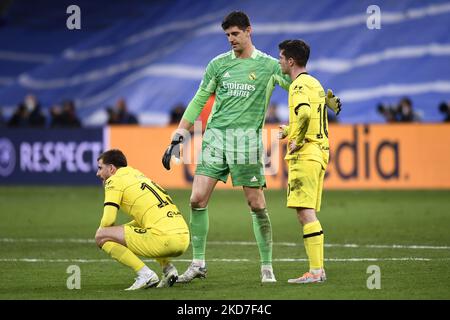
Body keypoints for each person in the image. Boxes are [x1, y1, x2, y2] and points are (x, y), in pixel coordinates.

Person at [162, 11, 293, 284]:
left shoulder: (269, 66)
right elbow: (199, 100)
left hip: (246, 142)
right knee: (197, 199)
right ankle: (198, 263)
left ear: (248, 31)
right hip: (215, 139)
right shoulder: (218, 64)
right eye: (227, 35)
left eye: (235, 34)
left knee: (256, 204)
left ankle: (266, 266)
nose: (231, 39)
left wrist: (316, 101)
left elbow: (297, 86)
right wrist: (179, 135)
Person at [278, 39, 341, 283]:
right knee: (307, 211)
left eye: (281, 57)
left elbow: (304, 113)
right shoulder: (315, 83)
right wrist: (289, 130)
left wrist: (298, 139)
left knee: (305, 213)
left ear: (291, 61)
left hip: (307, 153)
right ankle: (318, 270)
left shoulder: (297, 86)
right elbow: (322, 111)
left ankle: (315, 272)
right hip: (320, 151)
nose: (279, 61)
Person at [95, 149, 190, 290]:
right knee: (143, 227)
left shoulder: (114, 180)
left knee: (101, 236)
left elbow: (108, 221)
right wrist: (121, 232)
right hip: (183, 238)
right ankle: (167, 268)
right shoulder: (138, 175)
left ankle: (145, 274)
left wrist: (108, 233)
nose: (98, 173)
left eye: (100, 168)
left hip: (165, 240)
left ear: (111, 168)